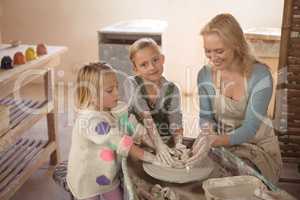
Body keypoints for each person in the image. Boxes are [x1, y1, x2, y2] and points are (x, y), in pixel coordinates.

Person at [186, 13, 282, 184]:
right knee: (193, 174)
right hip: (219, 140)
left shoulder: (260, 76)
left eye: (219, 51)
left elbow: (250, 129)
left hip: (256, 145)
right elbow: (206, 117)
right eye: (208, 51)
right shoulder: (205, 75)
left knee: (235, 183)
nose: (213, 58)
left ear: (236, 45)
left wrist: (214, 141)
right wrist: (209, 134)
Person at [66, 62, 160, 200]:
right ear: (92, 96)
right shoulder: (89, 120)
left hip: (108, 174)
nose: (117, 92)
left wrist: (156, 144)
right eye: (110, 90)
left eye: (116, 86)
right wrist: (150, 158)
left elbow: (131, 127)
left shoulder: (114, 108)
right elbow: (117, 140)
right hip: (86, 178)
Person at [127, 38, 184, 166]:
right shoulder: (132, 84)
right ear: (135, 69)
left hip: (164, 142)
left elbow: (176, 121)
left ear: (162, 59)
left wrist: (179, 142)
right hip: (136, 146)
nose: (152, 67)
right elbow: (145, 116)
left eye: (155, 60)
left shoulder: (172, 89)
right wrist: (158, 146)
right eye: (144, 64)